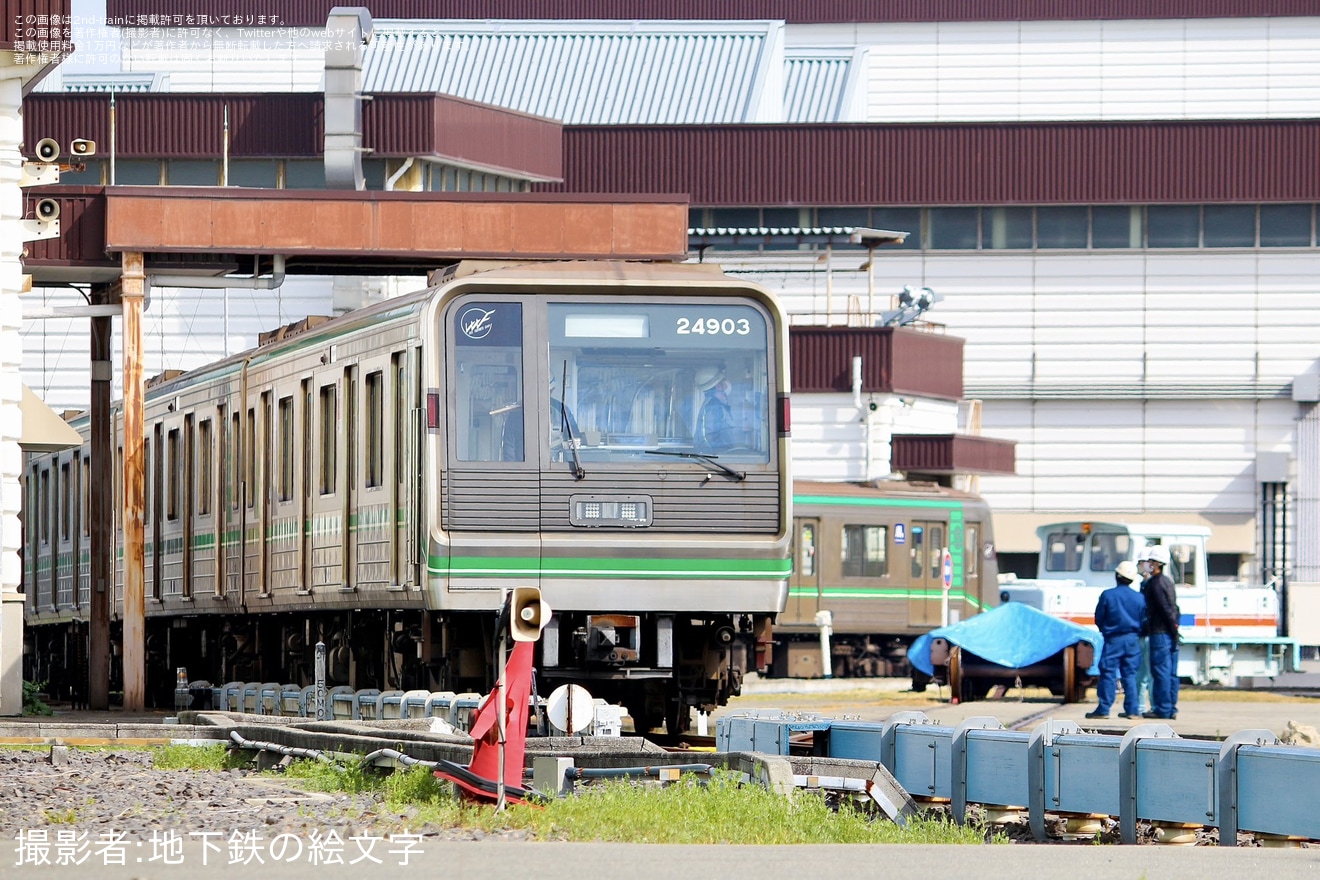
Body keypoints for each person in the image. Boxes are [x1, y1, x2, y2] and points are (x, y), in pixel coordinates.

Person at [1085, 560, 1146, 720]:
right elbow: (1144, 619)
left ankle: (1104, 709)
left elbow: (1099, 617)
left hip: (1113, 640)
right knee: (1130, 674)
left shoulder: (1108, 595)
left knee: (1108, 673)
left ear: (1117, 576)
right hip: (1132, 640)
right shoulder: (1139, 598)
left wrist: (1105, 630)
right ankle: (1133, 710)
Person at [1139, 544, 1181, 720]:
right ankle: (1170, 707)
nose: (1148, 563)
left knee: (1160, 672)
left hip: (1159, 632)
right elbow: (1173, 608)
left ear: (1157, 564)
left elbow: (1164, 608)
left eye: (1150, 561)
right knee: (1170, 672)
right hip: (1168, 632)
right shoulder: (1168, 582)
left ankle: (1162, 709)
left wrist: (1172, 629)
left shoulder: (1154, 584)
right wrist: (1175, 630)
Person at [694, 366, 739, 452]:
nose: (727, 383)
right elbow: (709, 437)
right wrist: (721, 456)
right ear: (718, 386)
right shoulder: (714, 407)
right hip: (717, 461)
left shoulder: (717, 405)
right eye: (724, 380)